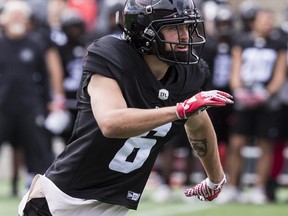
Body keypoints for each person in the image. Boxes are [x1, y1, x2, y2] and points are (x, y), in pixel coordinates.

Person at [18, 0, 233, 215]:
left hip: (112, 208)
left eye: (187, 26)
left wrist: (216, 179)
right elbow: (111, 123)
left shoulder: (187, 74)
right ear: (144, 31)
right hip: (60, 204)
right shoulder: (111, 56)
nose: (185, 35)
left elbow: (198, 123)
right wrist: (178, 110)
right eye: (173, 28)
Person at [217, 8, 287, 204]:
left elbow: (280, 73)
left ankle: (259, 188)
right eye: (263, 19)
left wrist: (266, 92)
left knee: (265, 144)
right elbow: (236, 68)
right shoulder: (242, 41)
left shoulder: (279, 44)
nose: (267, 23)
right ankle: (232, 186)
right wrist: (238, 90)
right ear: (254, 22)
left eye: (269, 19)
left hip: (267, 100)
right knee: (236, 143)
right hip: (244, 98)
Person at [0, 0, 55, 195]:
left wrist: (48, 102)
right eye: (13, 15)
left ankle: (43, 186)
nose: (17, 19)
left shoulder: (35, 44)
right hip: (3, 107)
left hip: (29, 106)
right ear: (4, 19)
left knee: (38, 148)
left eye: (20, 15)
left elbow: (44, 76)